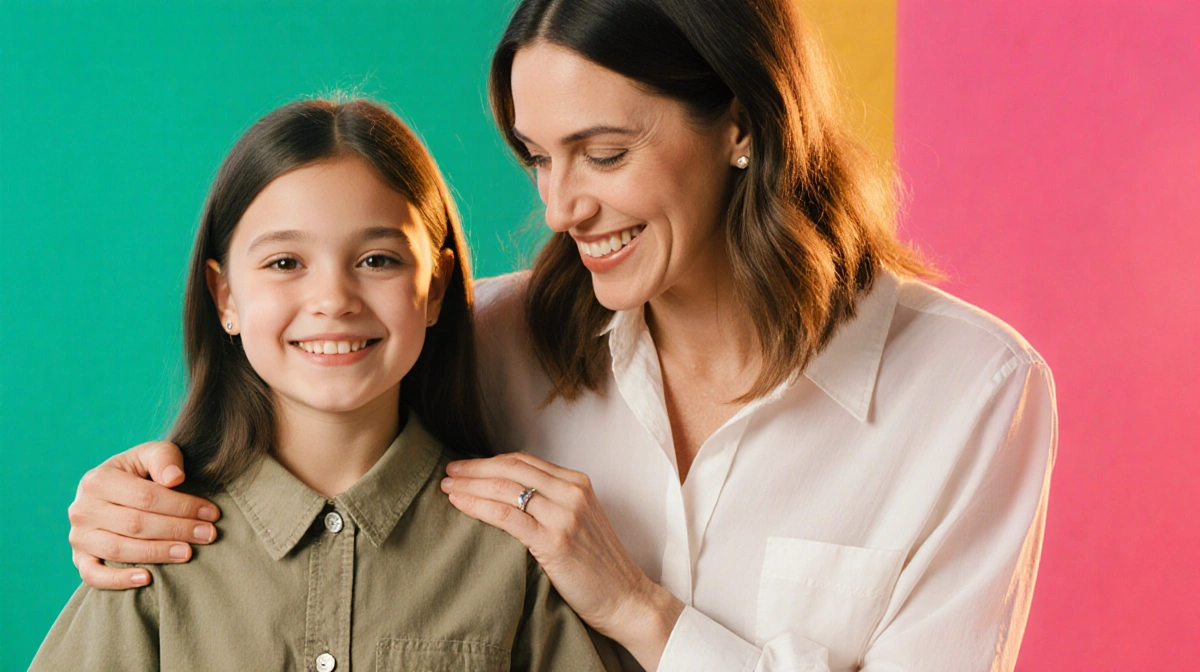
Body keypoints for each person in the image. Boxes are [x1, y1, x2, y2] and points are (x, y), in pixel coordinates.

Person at [62, 1, 1058, 670]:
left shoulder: (969, 393)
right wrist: (133, 494)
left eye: (605, 153)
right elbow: (327, 375)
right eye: (538, 158)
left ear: (743, 123)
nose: (560, 207)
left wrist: (640, 610)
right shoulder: (482, 333)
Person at [32, 98, 614, 671]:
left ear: (435, 288)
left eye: (378, 260)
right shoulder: (149, 550)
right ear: (225, 297)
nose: (334, 300)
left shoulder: (514, 551)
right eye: (285, 263)